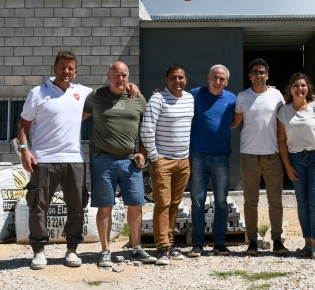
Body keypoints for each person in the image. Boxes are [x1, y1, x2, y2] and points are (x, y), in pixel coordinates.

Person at [18, 50, 138, 270]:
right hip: (43, 159)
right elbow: (23, 125)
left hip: (74, 159)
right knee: (38, 206)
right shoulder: (37, 93)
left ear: (76, 71)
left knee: (76, 207)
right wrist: (25, 150)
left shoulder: (83, 93)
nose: (66, 71)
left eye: (70, 68)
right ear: (54, 69)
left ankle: (72, 250)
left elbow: (111, 91)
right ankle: (39, 252)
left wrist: (129, 86)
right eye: (62, 67)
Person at [82, 61, 156, 267]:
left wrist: (142, 152)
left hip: (129, 160)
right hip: (102, 159)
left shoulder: (138, 98)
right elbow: (77, 117)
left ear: (128, 77)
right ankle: (105, 251)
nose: (120, 78)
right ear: (108, 75)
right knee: (105, 205)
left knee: (135, 204)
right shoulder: (96, 96)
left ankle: (136, 248)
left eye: (124, 75)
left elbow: (146, 128)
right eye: (116, 74)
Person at [232, 58, 289, 256]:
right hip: (249, 154)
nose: (258, 76)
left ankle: (277, 240)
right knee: (250, 201)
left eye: (262, 72)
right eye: (255, 72)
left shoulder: (276, 95)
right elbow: (233, 123)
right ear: (249, 76)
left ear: (267, 75)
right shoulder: (242, 97)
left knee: (275, 200)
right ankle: (252, 241)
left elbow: (286, 116)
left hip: (273, 154)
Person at [140, 65, 194, 265]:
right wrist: (154, 157)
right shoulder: (157, 99)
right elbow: (146, 129)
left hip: (183, 161)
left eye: (181, 77)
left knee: (174, 204)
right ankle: (162, 247)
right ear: (166, 80)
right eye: (173, 78)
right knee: (162, 203)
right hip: (163, 160)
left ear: (185, 80)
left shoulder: (190, 99)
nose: (177, 81)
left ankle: (169, 244)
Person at [277, 73, 315, 260]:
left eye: (303, 85)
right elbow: (282, 141)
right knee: (302, 202)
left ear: (307, 88)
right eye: (295, 85)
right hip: (295, 160)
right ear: (290, 89)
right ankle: (307, 243)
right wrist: (287, 166)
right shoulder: (284, 112)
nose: (299, 89)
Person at [186, 65, 237, 258]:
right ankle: (198, 243)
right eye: (215, 78)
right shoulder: (194, 94)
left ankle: (219, 243)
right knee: (197, 201)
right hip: (198, 154)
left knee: (221, 201)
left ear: (226, 82)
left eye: (221, 79)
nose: (217, 82)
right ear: (208, 78)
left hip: (222, 156)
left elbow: (237, 118)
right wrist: (160, 91)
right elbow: (175, 95)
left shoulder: (232, 98)